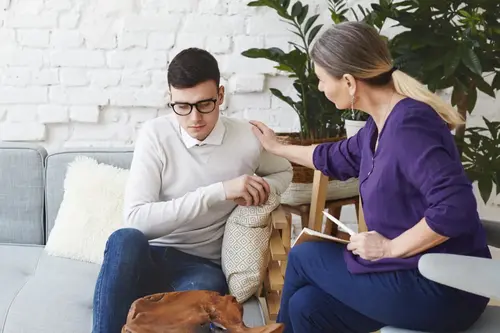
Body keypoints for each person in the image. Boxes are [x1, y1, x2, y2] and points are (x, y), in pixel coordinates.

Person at [250, 21, 492, 333]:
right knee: (306, 306)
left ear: (349, 82)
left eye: (323, 80)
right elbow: (330, 157)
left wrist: (388, 248)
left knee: (305, 256)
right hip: (407, 275)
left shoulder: (410, 126)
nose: (321, 88)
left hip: (444, 287)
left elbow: (454, 209)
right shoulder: (377, 128)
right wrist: (276, 147)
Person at [92, 47, 293, 333]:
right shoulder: (155, 135)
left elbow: (284, 170)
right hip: (148, 255)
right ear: (171, 99)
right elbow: (136, 220)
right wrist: (218, 192)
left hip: (199, 266)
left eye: (204, 104)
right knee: (125, 238)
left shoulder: (246, 138)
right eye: (182, 106)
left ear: (220, 96)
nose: (194, 118)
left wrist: (261, 187)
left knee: (209, 294)